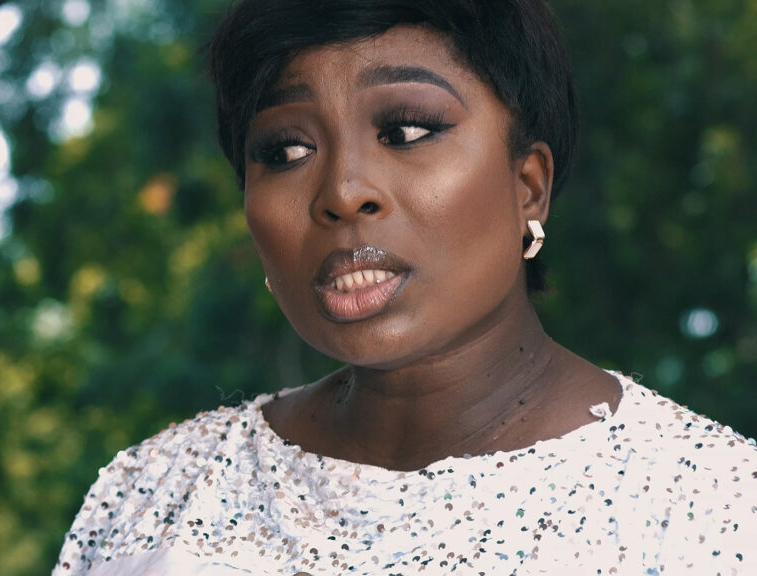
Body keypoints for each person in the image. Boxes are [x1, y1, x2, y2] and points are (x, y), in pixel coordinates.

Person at [52, 1, 757, 573]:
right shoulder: (153, 494)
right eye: (286, 150)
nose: (342, 191)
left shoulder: (709, 507)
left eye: (407, 130)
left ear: (528, 187)